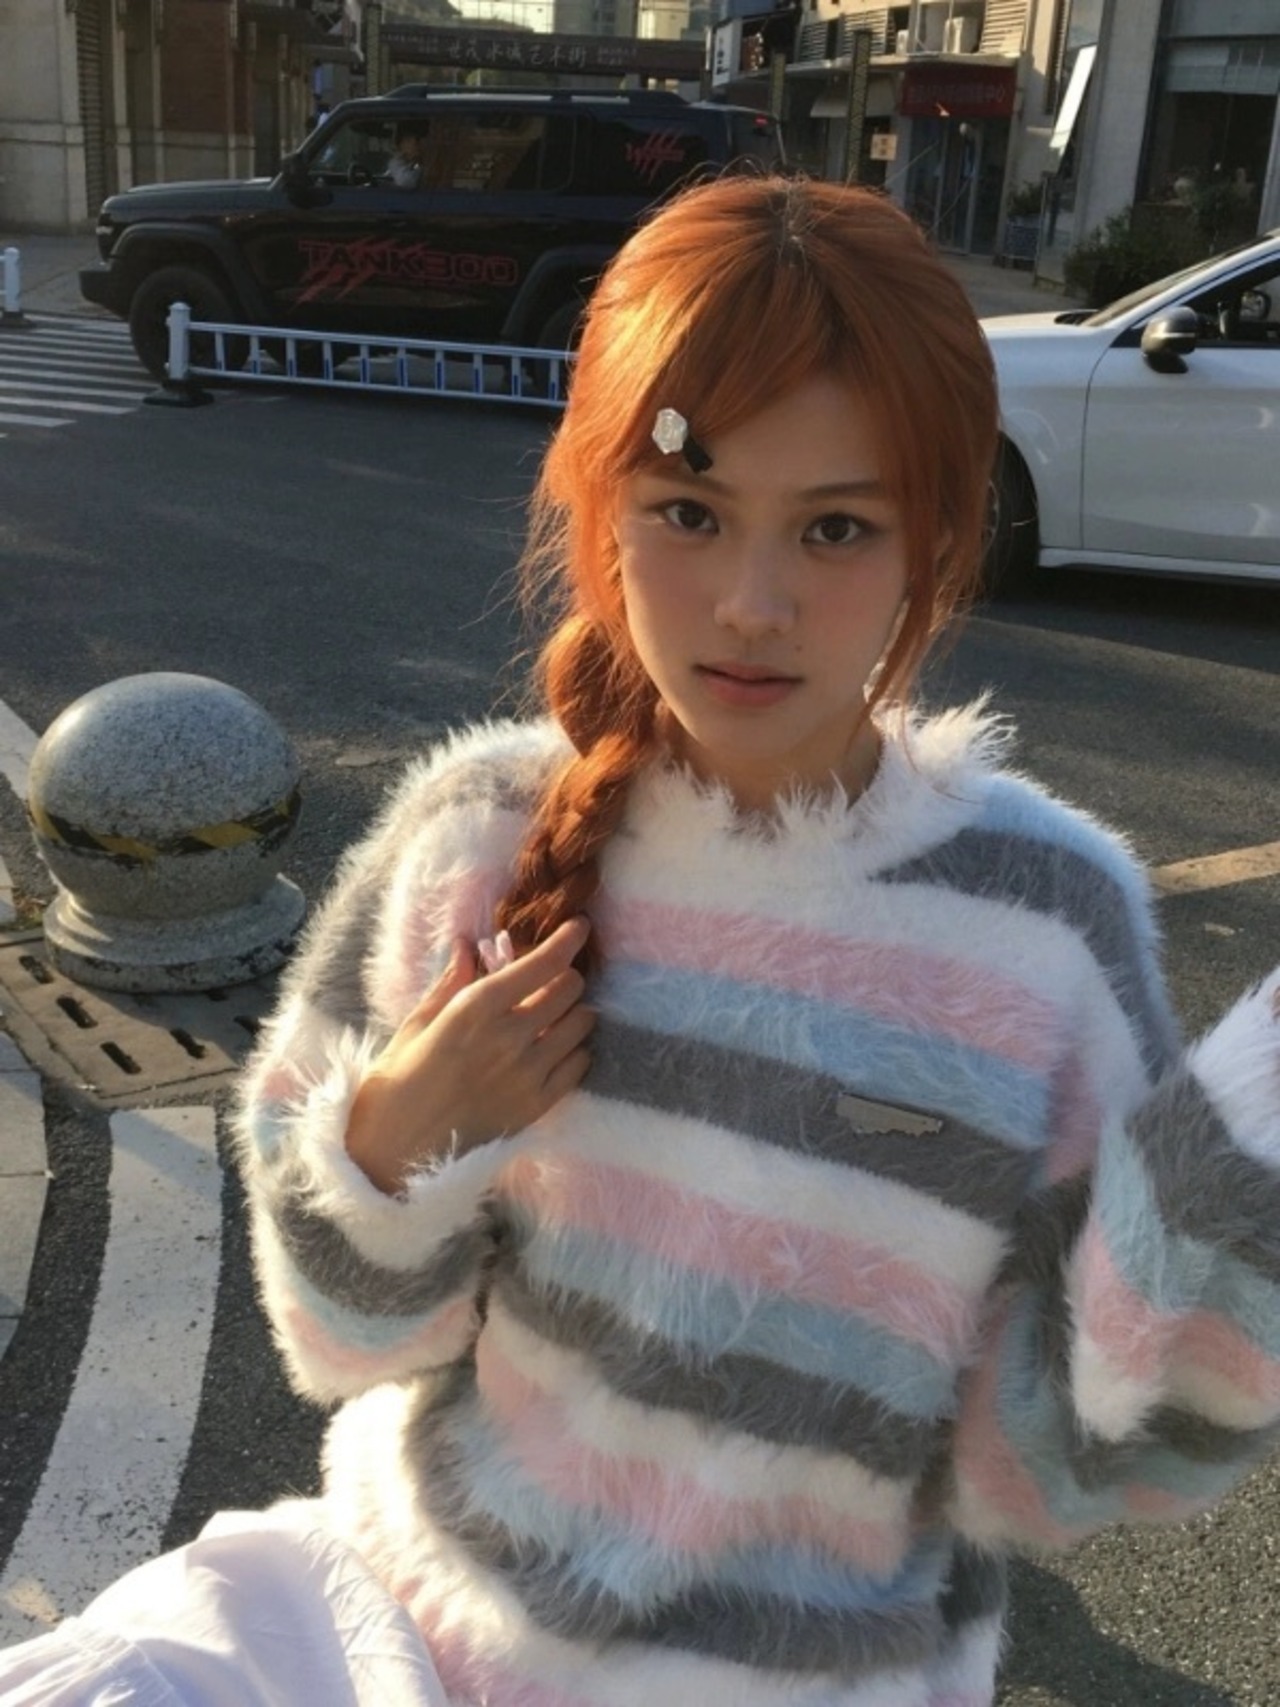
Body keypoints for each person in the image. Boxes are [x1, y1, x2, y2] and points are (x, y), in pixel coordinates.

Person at [4, 175, 1278, 1704]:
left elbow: (1055, 1460)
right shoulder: (480, 836)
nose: (752, 602)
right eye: (689, 510)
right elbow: (341, 1338)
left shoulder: (1048, 927)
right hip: (412, 1615)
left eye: (836, 527)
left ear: (939, 540)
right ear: (600, 508)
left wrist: (1236, 1182)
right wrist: (398, 1132)